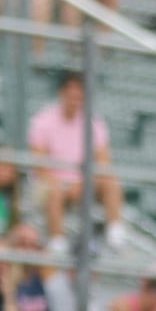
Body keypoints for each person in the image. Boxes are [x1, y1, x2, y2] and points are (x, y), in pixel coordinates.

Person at [25, 71, 127, 250]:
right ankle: (57, 240)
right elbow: (40, 167)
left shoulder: (94, 122)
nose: (75, 99)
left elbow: (104, 162)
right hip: (52, 182)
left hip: (83, 181)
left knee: (111, 181)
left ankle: (115, 231)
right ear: (61, 94)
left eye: (79, 95)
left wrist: (82, 183)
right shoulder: (42, 121)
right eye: (71, 94)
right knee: (54, 191)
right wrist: (65, 185)